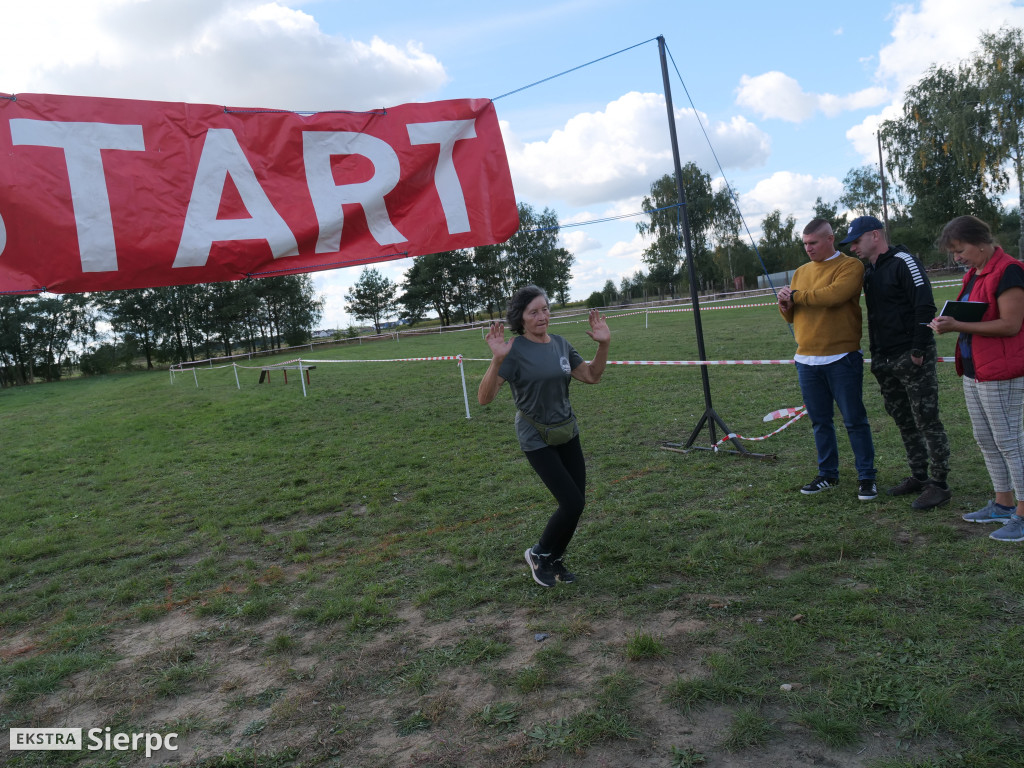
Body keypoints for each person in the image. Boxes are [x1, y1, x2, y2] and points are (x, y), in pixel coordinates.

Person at [478, 285, 611, 586]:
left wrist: (603, 346)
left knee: (577, 503)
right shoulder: (513, 352)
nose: (542, 316)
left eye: (546, 309)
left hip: (567, 430)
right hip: (535, 436)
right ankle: (538, 553)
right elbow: (485, 398)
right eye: (534, 312)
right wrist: (497, 360)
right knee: (572, 503)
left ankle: (555, 558)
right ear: (521, 318)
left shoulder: (561, 344)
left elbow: (591, 376)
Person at [841, 215, 952, 510]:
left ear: (875, 235)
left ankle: (939, 484)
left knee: (926, 419)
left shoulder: (904, 261)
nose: (853, 248)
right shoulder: (870, 271)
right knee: (903, 420)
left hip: (910, 357)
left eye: (856, 241)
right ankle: (918, 475)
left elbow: (924, 304)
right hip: (885, 358)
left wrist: (918, 349)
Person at [931, 215, 1024, 542]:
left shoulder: (1010, 271)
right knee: (987, 439)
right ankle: (1002, 503)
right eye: (953, 251)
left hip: (1002, 371)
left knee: (1010, 442)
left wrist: (958, 325)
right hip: (975, 370)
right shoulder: (975, 273)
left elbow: (1010, 325)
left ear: (982, 242)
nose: (957, 257)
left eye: (960, 249)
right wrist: (948, 321)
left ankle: (1023, 515)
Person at [778, 218, 877, 501]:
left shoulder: (850, 266)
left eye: (813, 243)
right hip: (806, 360)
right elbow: (793, 314)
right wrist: (785, 304)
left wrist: (797, 296)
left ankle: (867, 477)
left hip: (842, 356)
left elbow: (835, 296)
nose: (808, 249)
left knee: (854, 420)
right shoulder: (801, 272)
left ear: (830, 239)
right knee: (820, 422)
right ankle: (827, 474)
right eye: (805, 244)